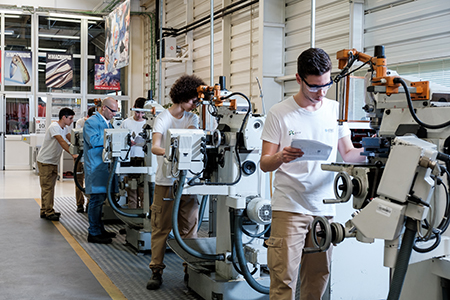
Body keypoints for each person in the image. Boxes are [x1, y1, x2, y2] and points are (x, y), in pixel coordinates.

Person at [260, 48, 365, 300]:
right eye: (315, 86)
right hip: (290, 206)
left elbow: (348, 154)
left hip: (324, 207)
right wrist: (281, 156)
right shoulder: (279, 113)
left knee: (318, 278)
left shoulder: (334, 110)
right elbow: (264, 163)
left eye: (326, 84)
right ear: (299, 79)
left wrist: (382, 149)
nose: (321, 92)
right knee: (283, 279)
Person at [146, 74, 204, 290]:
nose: (194, 105)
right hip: (166, 181)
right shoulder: (163, 118)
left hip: (188, 182)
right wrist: (173, 152)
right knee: (160, 226)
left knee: (189, 227)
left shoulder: (192, 118)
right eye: (192, 100)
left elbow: (193, 137)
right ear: (182, 97)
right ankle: (156, 270)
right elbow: (155, 146)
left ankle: (189, 269)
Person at [83, 97, 119, 244]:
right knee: (96, 200)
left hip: (104, 168)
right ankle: (93, 233)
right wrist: (115, 138)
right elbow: (93, 140)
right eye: (112, 111)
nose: (114, 114)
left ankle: (100, 229)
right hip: (96, 168)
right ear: (103, 108)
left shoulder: (107, 123)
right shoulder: (91, 122)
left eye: (116, 111)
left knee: (101, 200)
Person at [37, 107, 78, 221]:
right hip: (46, 162)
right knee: (47, 187)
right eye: (70, 118)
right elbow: (61, 141)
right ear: (63, 117)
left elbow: (70, 138)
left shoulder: (64, 128)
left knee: (49, 187)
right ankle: (48, 212)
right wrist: (73, 154)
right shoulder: (55, 127)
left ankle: (45, 210)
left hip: (52, 161)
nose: (71, 121)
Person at [120, 97, 147, 208]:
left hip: (144, 159)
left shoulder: (149, 123)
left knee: (143, 189)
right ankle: (132, 215)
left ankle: (144, 214)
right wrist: (126, 142)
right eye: (137, 112)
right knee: (131, 189)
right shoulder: (126, 123)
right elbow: (119, 139)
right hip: (130, 159)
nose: (139, 115)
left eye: (142, 113)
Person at [74, 106, 96, 213]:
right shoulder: (80, 122)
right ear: (87, 116)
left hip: (92, 157)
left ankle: (89, 203)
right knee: (78, 180)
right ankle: (79, 203)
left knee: (90, 180)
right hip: (79, 155)